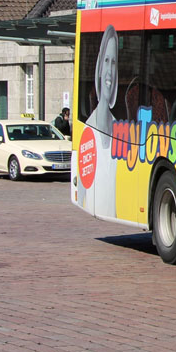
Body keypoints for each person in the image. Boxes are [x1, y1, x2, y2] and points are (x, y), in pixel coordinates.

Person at [80, 25, 118, 217]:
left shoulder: (120, 129)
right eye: (106, 61)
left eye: (114, 63)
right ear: (99, 68)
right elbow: (82, 192)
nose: (110, 70)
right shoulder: (87, 129)